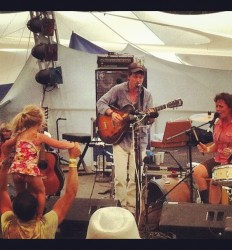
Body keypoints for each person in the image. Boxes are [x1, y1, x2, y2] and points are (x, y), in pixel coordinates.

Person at [96, 62, 158, 215]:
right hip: (119, 139)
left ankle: (131, 209)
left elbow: (148, 121)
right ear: (129, 76)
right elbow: (101, 103)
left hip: (139, 140)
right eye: (135, 76)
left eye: (141, 76)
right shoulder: (118, 90)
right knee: (120, 177)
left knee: (135, 176)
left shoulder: (147, 95)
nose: (138, 79)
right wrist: (112, 113)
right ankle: (120, 207)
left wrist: (150, 117)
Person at [5, 104, 77, 220]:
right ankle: (38, 218)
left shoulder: (19, 135)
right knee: (41, 192)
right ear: (40, 122)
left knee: (21, 195)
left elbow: (5, 146)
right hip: (30, 170)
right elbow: (59, 144)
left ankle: (20, 217)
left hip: (16, 170)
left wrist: (4, 158)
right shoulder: (38, 136)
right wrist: (73, 145)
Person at [0, 139, 81, 239]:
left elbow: (2, 191)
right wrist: (73, 159)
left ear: (13, 210)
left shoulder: (7, 226)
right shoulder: (45, 227)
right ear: (38, 210)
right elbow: (71, 193)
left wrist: (4, 165)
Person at [192, 92, 232, 204]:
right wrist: (207, 149)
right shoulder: (218, 123)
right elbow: (217, 144)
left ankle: (217, 211)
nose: (217, 109)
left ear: (231, 108)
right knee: (197, 172)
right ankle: (206, 206)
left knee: (215, 180)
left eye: (221, 106)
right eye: (216, 106)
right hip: (220, 160)